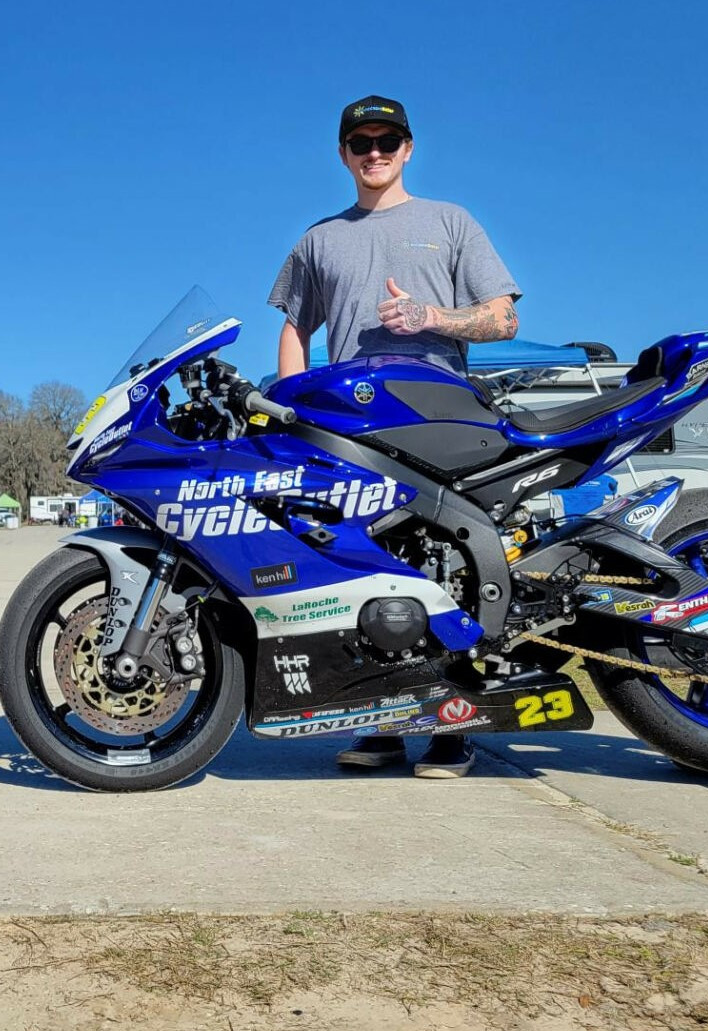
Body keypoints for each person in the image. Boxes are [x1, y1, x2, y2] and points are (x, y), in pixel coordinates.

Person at [266, 95, 521, 780]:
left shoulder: (450, 222)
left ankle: (451, 728)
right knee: (364, 570)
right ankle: (378, 722)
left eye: (387, 140)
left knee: (447, 569)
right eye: (360, 142)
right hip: (352, 429)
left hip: (442, 421)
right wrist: (292, 410)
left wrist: (431, 317)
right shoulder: (317, 240)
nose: (373, 152)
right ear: (343, 153)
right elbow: (294, 328)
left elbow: (503, 320)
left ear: (408, 148)